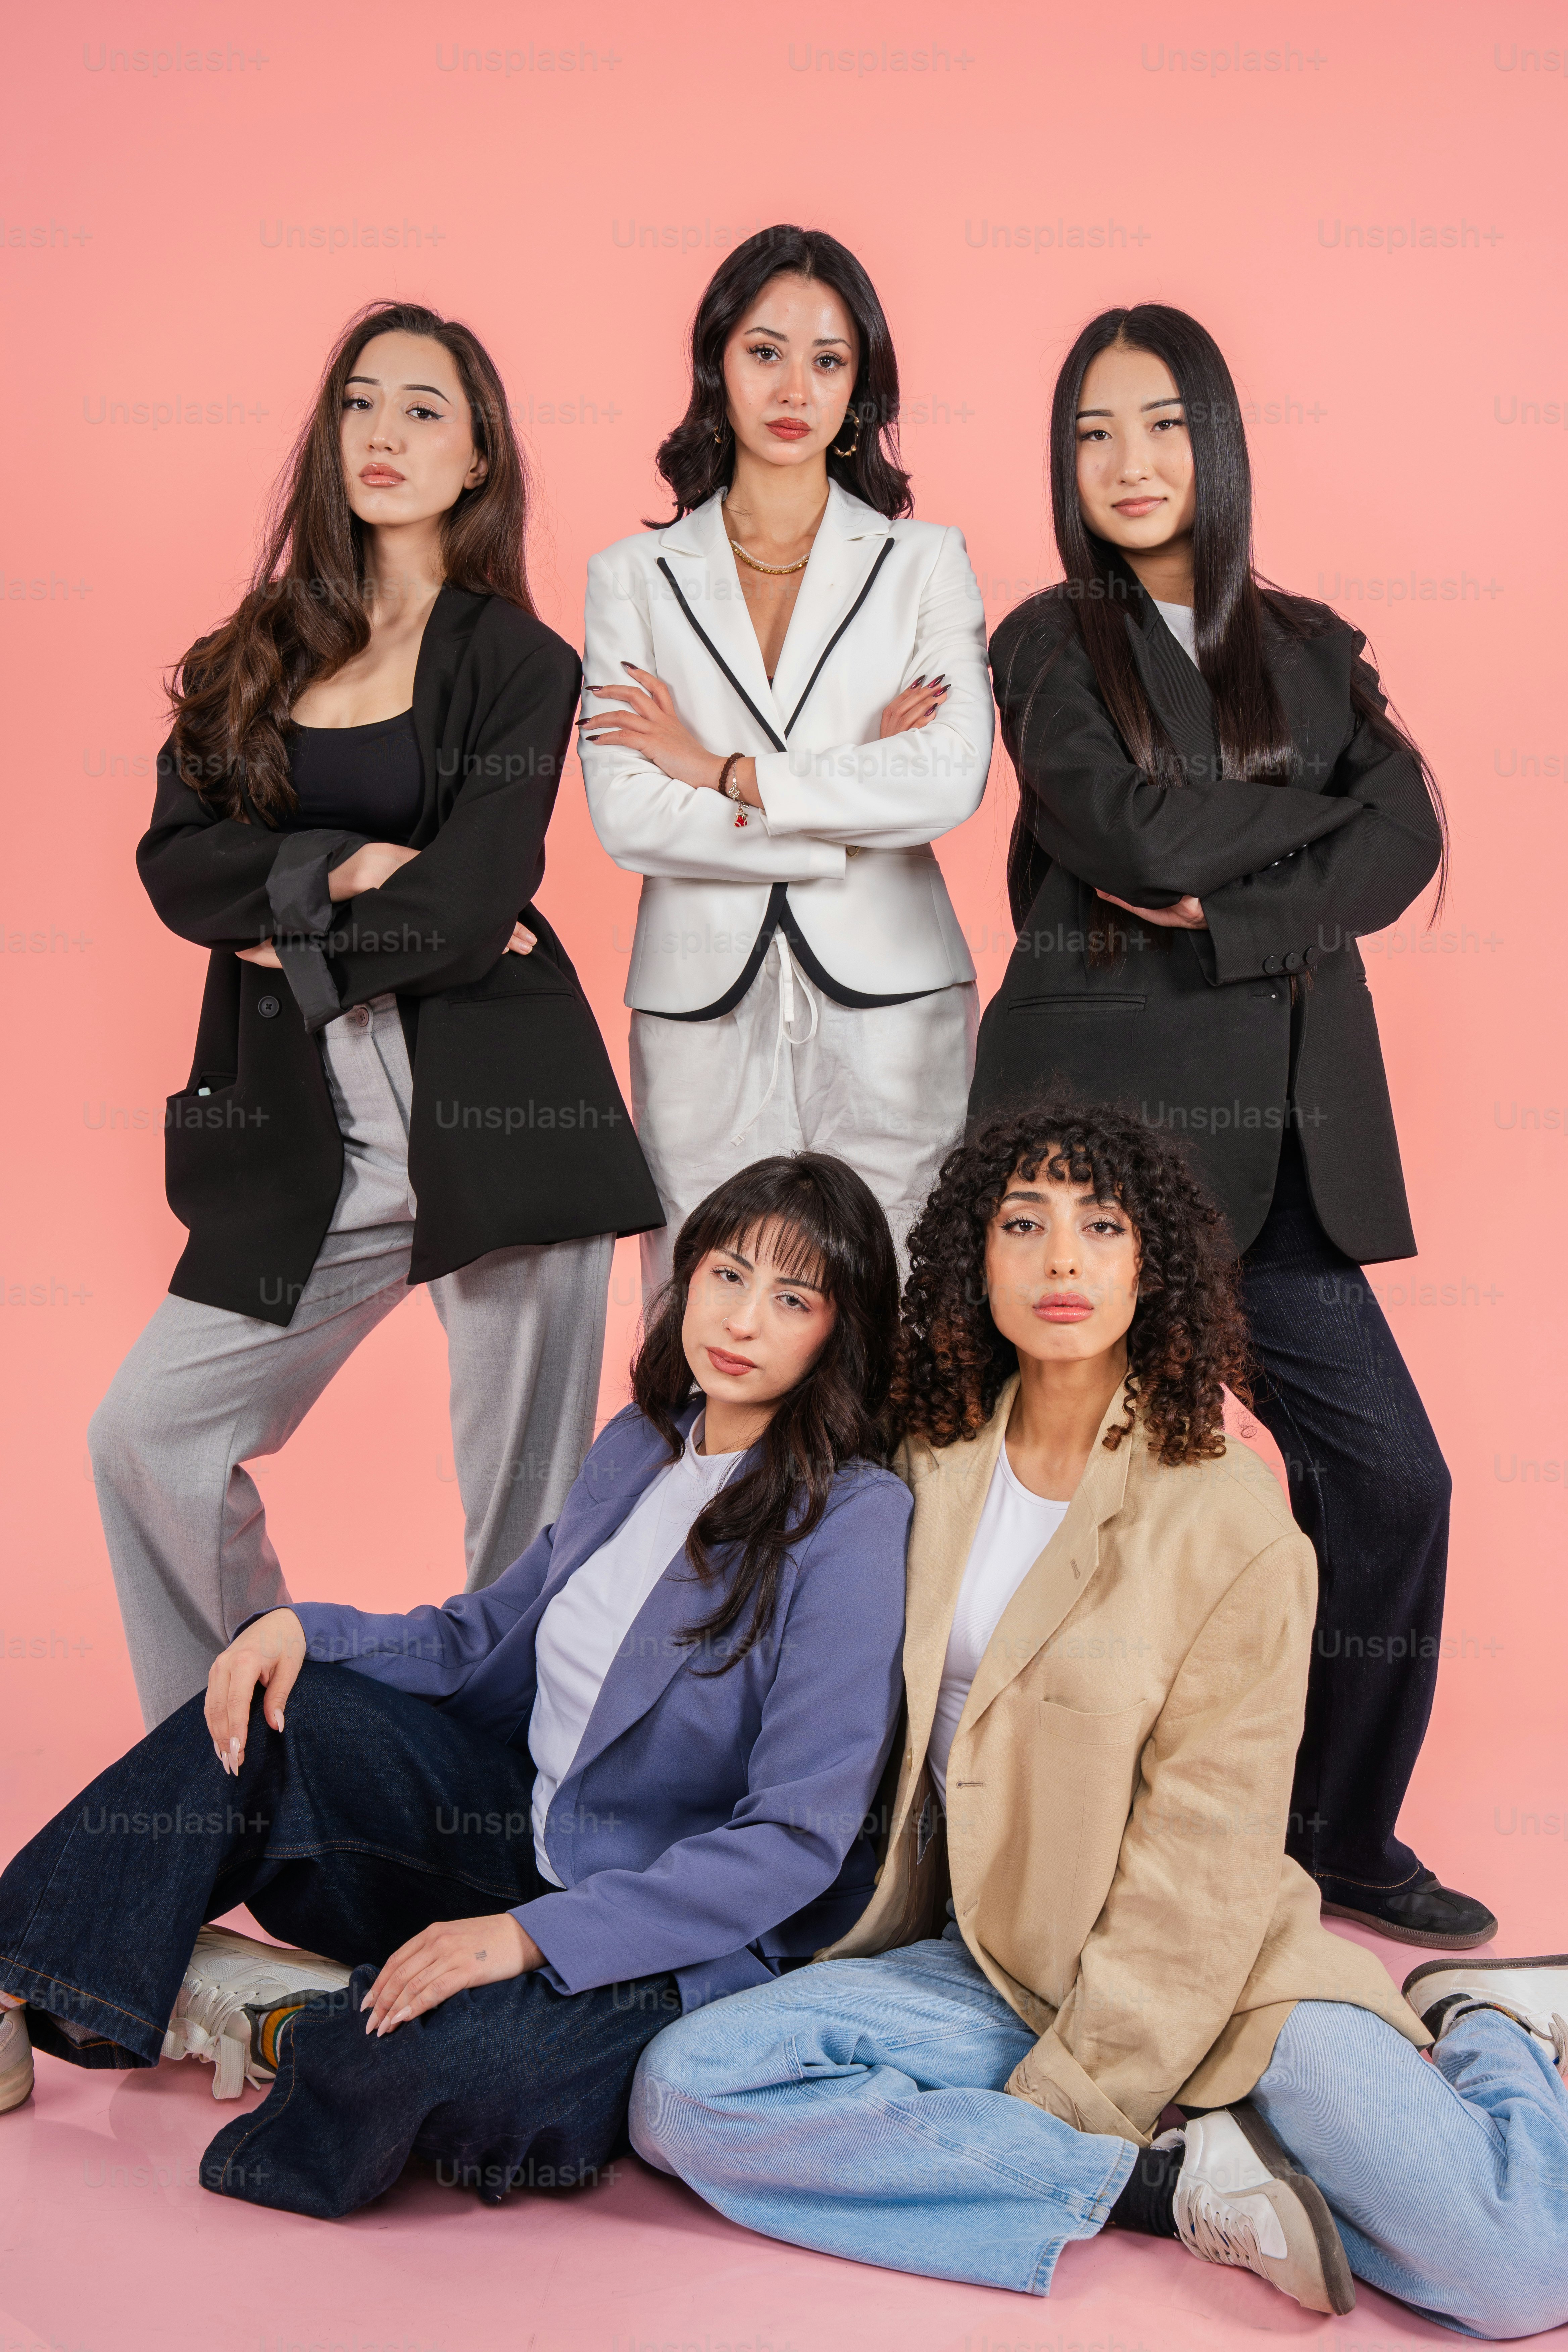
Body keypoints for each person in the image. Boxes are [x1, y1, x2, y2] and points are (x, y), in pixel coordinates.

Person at [631, 1105, 1568, 2341]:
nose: (1062, 1262)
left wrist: (1080, 2093)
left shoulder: (1232, 1520)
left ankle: (1491, 2031)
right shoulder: (925, 1451)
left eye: (1102, 1226)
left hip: (1223, 1980)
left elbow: (1209, 1861)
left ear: (1152, 1267)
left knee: (1509, 2273)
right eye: (1024, 1225)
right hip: (986, 1962)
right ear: (978, 1258)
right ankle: (1173, 2194)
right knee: (687, 2094)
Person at [0, 1156, 912, 2225]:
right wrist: (302, 1628)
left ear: (836, 1335)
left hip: (648, 1931)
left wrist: (531, 1939)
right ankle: (16, 1980)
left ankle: (285, 2014)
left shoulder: (851, 1518)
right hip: (509, 1837)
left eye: (792, 1300)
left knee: (457, 2080)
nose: (744, 1321)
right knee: (273, 1710)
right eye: (727, 1275)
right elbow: (487, 1636)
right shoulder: (641, 1445)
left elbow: (794, 1841)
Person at [967, 304, 1489, 1947]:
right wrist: (1314, 829)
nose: (1127, 464)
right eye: (1093, 434)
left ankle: (1326, 1831)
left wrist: (1240, 900)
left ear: (1218, 440)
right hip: (1102, 1158)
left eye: (1161, 425)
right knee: (1043, 1500)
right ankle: (990, 1833)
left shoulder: (1313, 642)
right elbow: (1115, 823)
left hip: (1287, 1144)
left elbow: (1407, 835)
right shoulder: (1047, 644)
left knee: (1391, 1484)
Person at [88, 300, 663, 1729]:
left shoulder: (519, 664)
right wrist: (335, 867)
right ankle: (233, 1769)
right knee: (147, 1438)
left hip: (502, 1106)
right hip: (304, 1121)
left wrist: (286, 929)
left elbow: (470, 906)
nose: (385, 434)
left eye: (424, 409)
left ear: (479, 460)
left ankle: (503, 1832)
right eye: (361, 403)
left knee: (519, 1526)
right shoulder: (254, 653)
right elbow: (174, 867)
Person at [579, 224, 993, 1291]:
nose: (793, 386)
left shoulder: (923, 562)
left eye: (828, 359)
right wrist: (853, 803)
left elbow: (949, 778)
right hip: (695, 996)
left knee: (906, 1288)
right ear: (717, 363)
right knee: (702, 1294)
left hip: (896, 994)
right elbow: (626, 814)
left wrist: (719, 770)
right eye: (765, 351)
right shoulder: (633, 575)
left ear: (861, 386)